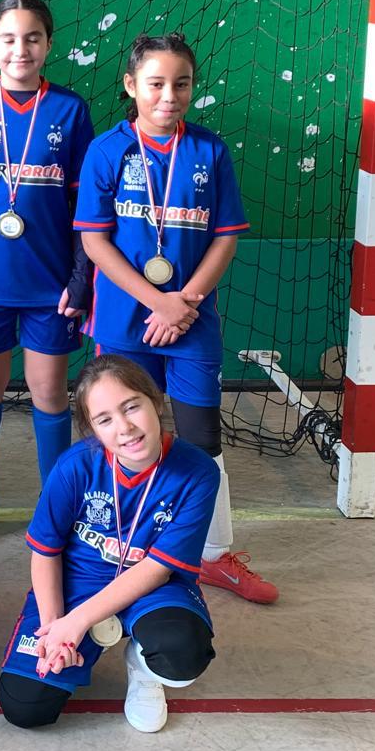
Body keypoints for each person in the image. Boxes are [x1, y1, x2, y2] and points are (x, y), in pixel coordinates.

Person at [73, 31, 276, 602]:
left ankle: (212, 556)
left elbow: (225, 238)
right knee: (122, 435)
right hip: (125, 323)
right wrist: (156, 301)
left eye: (181, 84)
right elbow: (94, 242)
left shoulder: (209, 151)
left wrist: (183, 303)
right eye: (156, 83)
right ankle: (118, 544)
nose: (169, 95)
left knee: (201, 439)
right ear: (130, 85)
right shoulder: (107, 151)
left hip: (192, 324)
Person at [0, 0, 96, 544]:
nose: (20, 49)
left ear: (49, 44)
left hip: (50, 287)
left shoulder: (70, 110)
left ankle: (57, 503)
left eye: (32, 38)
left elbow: (85, 206)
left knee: (49, 393)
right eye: (8, 38)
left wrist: (80, 278)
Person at [0, 354, 219, 732]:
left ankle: (143, 668)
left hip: (152, 588)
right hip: (78, 584)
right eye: (105, 419)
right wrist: (55, 630)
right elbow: (45, 551)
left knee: (183, 655)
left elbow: (157, 569)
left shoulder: (198, 472)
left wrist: (78, 622)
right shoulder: (74, 466)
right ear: (93, 430)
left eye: (132, 407)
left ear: (155, 401)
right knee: (25, 706)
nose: (125, 428)